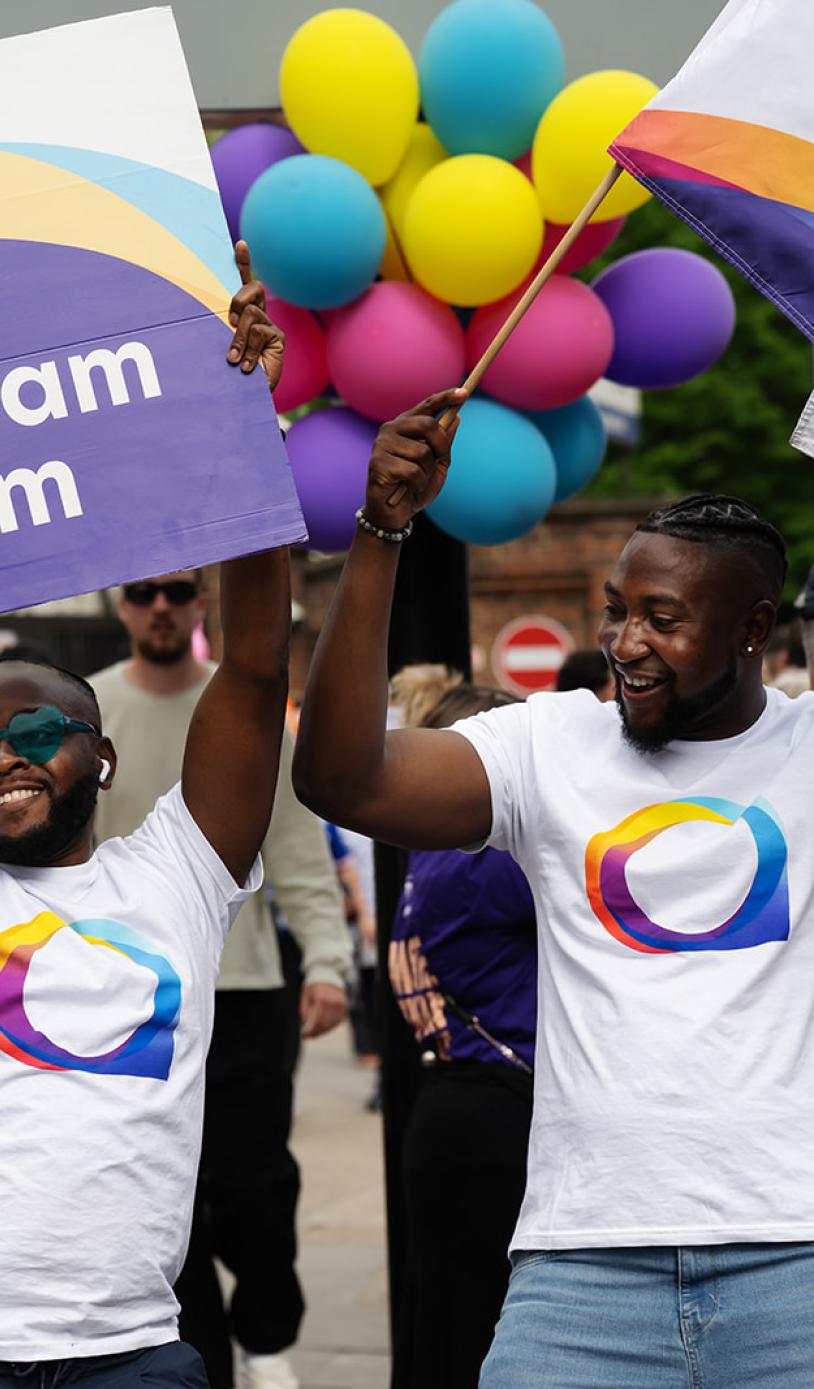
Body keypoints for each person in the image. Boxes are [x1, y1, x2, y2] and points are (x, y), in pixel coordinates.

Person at [293, 388, 814, 1388]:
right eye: (616, 613)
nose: (624, 645)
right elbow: (341, 779)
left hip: (792, 1256)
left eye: (663, 620)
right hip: (582, 1267)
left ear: (753, 630)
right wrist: (378, 534)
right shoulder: (548, 742)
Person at [0, 244, 292, 1387]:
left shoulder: (171, 872)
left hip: (130, 1359)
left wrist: (237, 418)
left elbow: (258, 671)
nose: (9, 765)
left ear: (104, 758)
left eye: (35, 738)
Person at [91, 570, 350, 1389]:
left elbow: (297, 842)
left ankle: (267, 1329)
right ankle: (201, 1356)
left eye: (175, 590)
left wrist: (329, 960)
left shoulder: (241, 703)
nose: (160, 606)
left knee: (254, 1187)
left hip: (240, 988)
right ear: (120, 605)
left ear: (200, 600)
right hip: (122, 998)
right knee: (161, 1202)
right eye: (142, 592)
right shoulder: (82, 709)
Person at [389, 683, 536, 1389]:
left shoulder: (430, 853)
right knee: (487, 1338)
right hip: (498, 1117)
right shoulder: (493, 861)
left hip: (455, 1108)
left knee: (444, 1331)